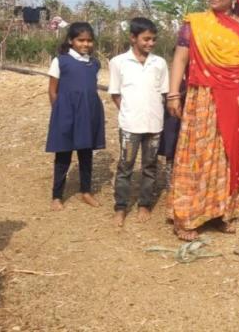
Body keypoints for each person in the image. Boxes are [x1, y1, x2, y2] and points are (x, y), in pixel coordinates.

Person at [166, 0, 239, 241]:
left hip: (236, 97)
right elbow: (180, 58)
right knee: (197, 151)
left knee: (229, 151)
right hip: (202, 96)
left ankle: (224, 211)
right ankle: (188, 215)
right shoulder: (195, 23)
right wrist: (173, 93)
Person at [108, 17, 169, 226]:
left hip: (154, 124)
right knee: (125, 166)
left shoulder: (159, 63)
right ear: (133, 38)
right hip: (130, 125)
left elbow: (163, 93)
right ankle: (121, 207)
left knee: (150, 166)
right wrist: (129, 111)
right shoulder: (118, 62)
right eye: (146, 39)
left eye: (153, 40)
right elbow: (115, 94)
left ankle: (144, 203)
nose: (150, 44)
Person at [45, 22, 104, 211]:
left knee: (86, 154)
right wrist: (60, 112)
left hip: (88, 113)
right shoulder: (61, 61)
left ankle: (85, 191)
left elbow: (91, 88)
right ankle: (57, 195)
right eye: (81, 40)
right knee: (63, 155)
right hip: (66, 114)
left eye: (89, 40)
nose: (85, 44)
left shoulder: (94, 63)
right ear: (71, 41)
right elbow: (53, 90)